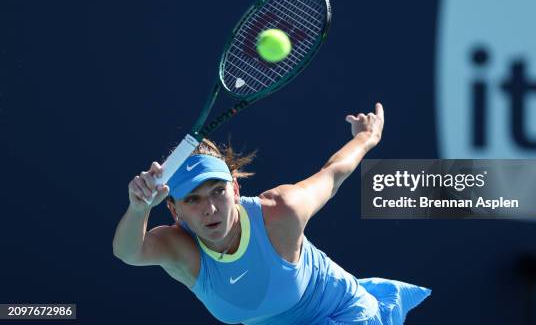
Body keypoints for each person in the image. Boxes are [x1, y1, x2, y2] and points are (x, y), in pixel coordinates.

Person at [112, 103, 430, 324]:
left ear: (235, 190)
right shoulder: (180, 249)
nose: (209, 208)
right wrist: (138, 208)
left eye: (218, 192)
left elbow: (332, 174)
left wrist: (366, 138)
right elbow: (129, 251)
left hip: (345, 314)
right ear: (174, 209)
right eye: (193, 200)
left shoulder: (279, 212)